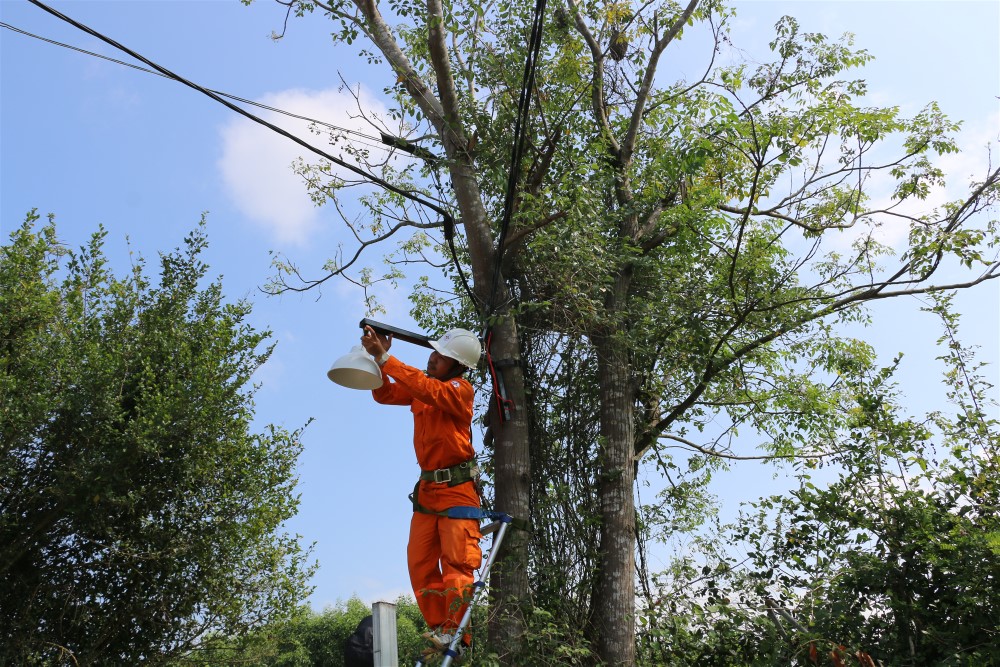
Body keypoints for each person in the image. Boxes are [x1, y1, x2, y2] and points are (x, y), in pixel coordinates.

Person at [360, 324, 483, 659]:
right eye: (434, 352)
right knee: (419, 561)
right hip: (428, 490)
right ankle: (440, 627)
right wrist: (373, 361)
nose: (433, 358)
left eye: (443, 357)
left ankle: (457, 631)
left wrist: (385, 357)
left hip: (458, 489)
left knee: (458, 562)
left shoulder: (460, 390)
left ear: (458, 366)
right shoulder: (425, 389)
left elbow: (423, 387)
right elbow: (385, 393)